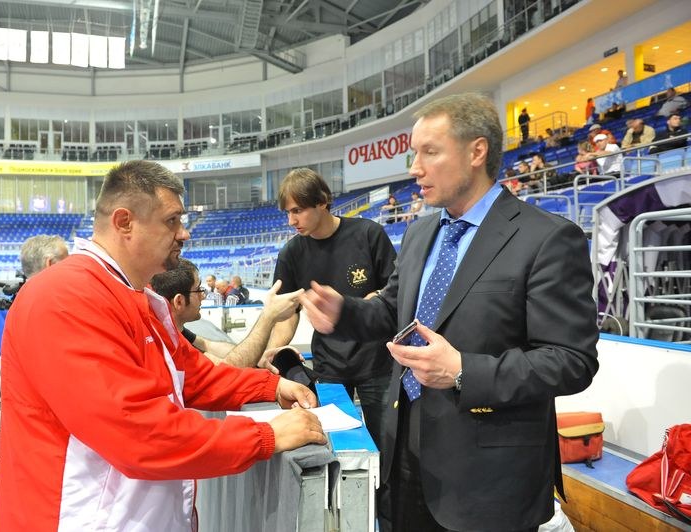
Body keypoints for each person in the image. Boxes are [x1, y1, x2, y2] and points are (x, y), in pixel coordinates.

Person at [299, 93, 599, 532]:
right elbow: (392, 313)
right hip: (405, 456)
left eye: (429, 152)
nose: (414, 168)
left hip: (489, 482)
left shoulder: (548, 238)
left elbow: (572, 362)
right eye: (414, 153)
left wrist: (463, 371)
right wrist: (343, 313)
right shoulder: (421, 231)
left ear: (477, 151)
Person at [0, 160, 327, 531]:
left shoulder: (128, 293)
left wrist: (270, 386)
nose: (184, 234)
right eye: (172, 221)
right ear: (124, 223)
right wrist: (265, 436)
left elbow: (191, 374)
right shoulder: (64, 297)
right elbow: (135, 432)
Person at [268, 167, 397, 446]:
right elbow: (288, 313)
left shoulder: (368, 234)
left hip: (378, 364)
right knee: (335, 447)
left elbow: (394, 292)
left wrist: (359, 306)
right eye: (287, 213)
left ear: (322, 201)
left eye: (298, 210)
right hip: (329, 368)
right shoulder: (291, 253)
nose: (292, 221)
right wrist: (274, 345)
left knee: (387, 447)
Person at [150, 258, 299, 372]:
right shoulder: (165, 343)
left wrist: (260, 356)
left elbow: (208, 345)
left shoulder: (175, 330)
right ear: (179, 302)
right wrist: (268, 317)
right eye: (198, 290)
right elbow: (229, 367)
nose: (203, 296)